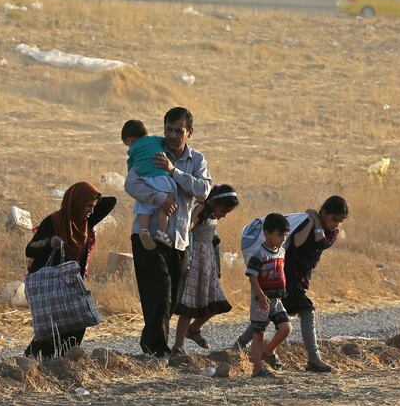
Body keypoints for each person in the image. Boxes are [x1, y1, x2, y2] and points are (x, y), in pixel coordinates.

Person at [125, 106, 212, 357]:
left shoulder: (196, 160)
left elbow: (203, 191)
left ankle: (152, 344)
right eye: (169, 130)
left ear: (190, 133)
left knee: (171, 299)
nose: (172, 135)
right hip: (148, 235)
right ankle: (157, 350)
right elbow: (131, 183)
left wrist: (174, 171)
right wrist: (158, 198)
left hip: (178, 239)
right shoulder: (152, 150)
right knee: (158, 291)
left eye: (179, 131)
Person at [234, 196, 348, 372]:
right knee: (303, 310)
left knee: (269, 310)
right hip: (284, 274)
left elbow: (322, 243)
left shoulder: (330, 233)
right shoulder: (305, 222)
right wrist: (312, 221)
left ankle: (239, 346)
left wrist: (317, 222)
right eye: (333, 219)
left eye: (340, 221)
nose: (336, 224)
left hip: (298, 278)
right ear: (324, 212)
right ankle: (313, 358)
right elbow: (297, 241)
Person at [24, 181, 116, 359]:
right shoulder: (52, 222)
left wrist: (91, 198)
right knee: (51, 327)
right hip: (51, 283)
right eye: (87, 206)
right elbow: (30, 249)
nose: (91, 211)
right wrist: (50, 241)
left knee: (78, 321)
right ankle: (32, 360)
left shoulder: (85, 223)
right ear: (76, 203)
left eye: (93, 207)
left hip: (72, 282)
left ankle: (64, 362)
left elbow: (111, 202)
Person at [171, 184, 239, 355]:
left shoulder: (211, 214)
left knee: (216, 302)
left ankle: (193, 329)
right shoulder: (201, 209)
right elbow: (187, 229)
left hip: (207, 261)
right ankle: (178, 347)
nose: (223, 215)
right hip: (195, 261)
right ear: (214, 202)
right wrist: (194, 215)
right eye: (223, 210)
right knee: (189, 304)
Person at [246, 213, 292, 377]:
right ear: (267, 233)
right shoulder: (259, 254)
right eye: (280, 235)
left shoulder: (281, 251)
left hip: (276, 300)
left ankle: (269, 351)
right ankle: (257, 368)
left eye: (285, 235)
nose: (283, 239)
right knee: (259, 334)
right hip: (261, 301)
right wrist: (260, 294)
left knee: (286, 328)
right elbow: (252, 275)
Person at [121, 119, 177, 250]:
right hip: (161, 176)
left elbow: (130, 167)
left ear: (130, 139)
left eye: (127, 144)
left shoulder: (133, 150)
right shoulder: (155, 140)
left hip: (144, 178)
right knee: (169, 199)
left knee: (144, 201)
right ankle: (161, 232)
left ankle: (144, 229)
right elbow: (165, 142)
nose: (129, 147)